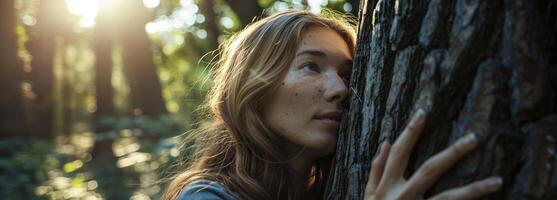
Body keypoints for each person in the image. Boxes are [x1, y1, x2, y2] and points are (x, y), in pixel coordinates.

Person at [162, 10, 502, 200]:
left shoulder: (333, 192)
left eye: (347, 74)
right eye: (311, 66)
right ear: (254, 86)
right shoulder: (206, 197)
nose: (340, 89)